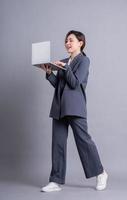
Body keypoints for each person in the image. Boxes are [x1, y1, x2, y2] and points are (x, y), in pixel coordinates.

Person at [40, 30, 108, 192]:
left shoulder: (84, 61)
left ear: (80, 43)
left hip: (75, 107)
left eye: (71, 40)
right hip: (59, 107)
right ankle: (55, 180)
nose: (67, 43)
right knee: (58, 144)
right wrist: (50, 73)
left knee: (83, 141)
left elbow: (75, 83)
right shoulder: (63, 62)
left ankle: (101, 172)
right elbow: (59, 85)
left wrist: (65, 68)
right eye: (66, 41)